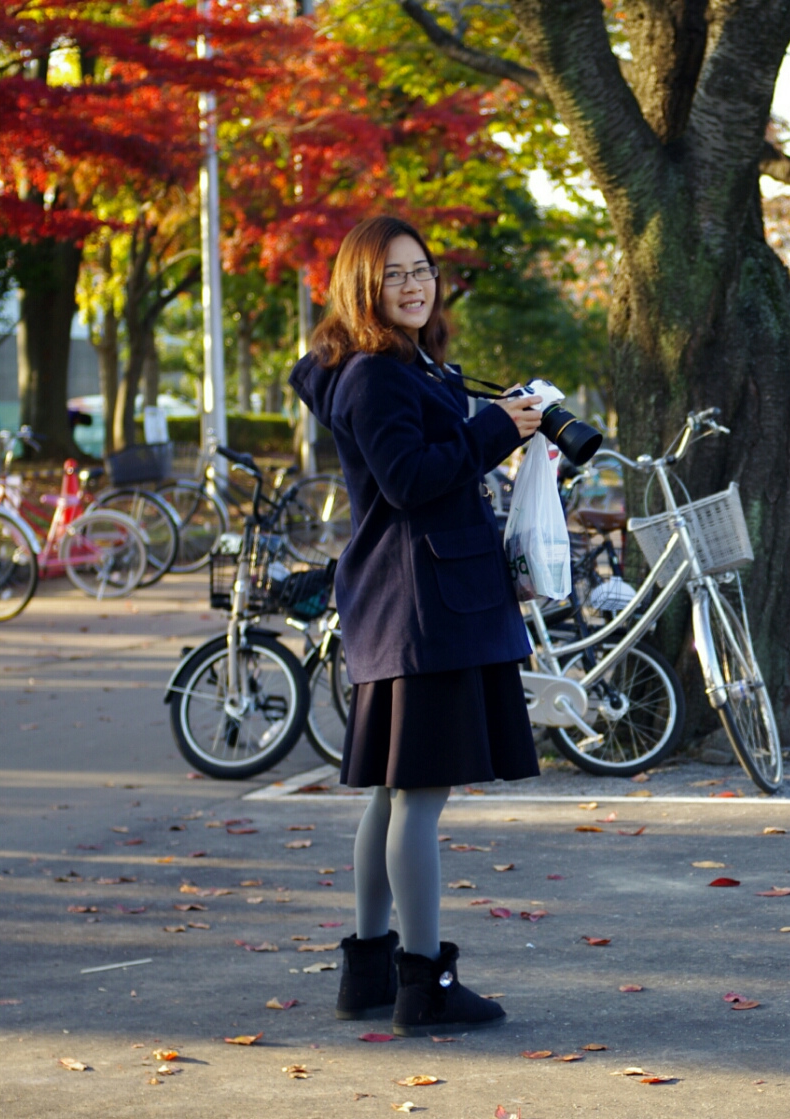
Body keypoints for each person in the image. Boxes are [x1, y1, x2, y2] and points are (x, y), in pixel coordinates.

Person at [289, 216, 542, 1035]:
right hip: (421, 607)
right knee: (419, 799)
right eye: (394, 273)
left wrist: (487, 420)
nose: (414, 284)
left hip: (410, 602)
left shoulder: (396, 367)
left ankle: (369, 971)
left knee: (395, 795)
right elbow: (407, 480)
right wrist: (494, 430)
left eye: (423, 269)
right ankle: (423, 983)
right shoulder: (375, 375)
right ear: (362, 284)